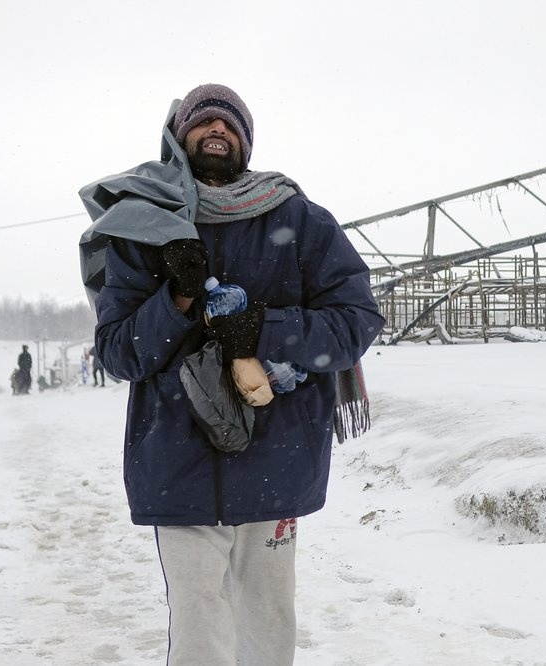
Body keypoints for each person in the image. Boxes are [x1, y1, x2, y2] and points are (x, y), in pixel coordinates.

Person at [85, 83, 383, 665]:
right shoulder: (143, 227)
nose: (216, 131)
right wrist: (177, 298)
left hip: (277, 461)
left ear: (245, 141)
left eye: (230, 124)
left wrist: (262, 328)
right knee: (199, 637)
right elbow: (118, 353)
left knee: (267, 632)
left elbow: (356, 324)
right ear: (179, 136)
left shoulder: (298, 219)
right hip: (175, 462)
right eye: (203, 122)